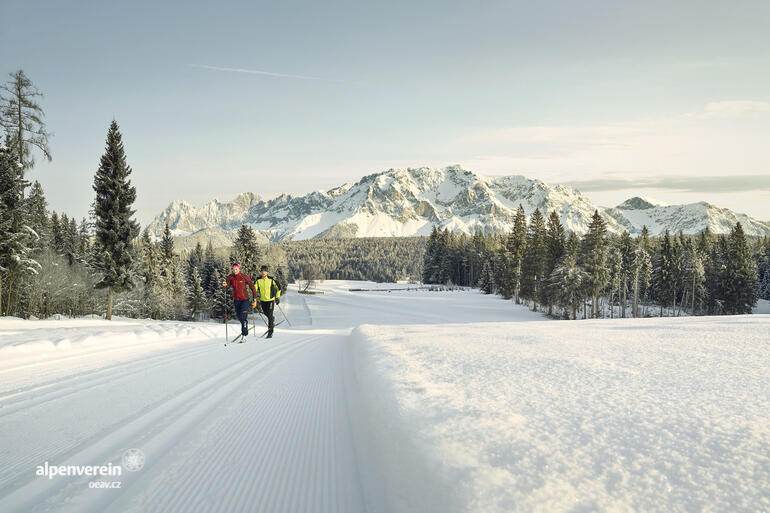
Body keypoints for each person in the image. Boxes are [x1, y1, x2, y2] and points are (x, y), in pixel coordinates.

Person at [222, 263, 257, 342]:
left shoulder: (244, 277)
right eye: (233, 269)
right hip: (236, 300)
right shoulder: (230, 277)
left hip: (245, 300)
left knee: (243, 317)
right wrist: (225, 284)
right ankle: (245, 326)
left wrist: (255, 298)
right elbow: (227, 284)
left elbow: (252, 286)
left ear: (239, 269)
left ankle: (244, 335)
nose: (235, 270)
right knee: (239, 317)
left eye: (236, 269)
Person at [255, 265, 281, 338]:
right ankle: (272, 319)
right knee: (266, 314)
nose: (263, 272)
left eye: (265, 271)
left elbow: (279, 288)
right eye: (262, 271)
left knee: (269, 316)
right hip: (263, 301)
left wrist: (277, 297)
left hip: (270, 300)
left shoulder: (271, 280)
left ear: (267, 272)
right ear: (260, 272)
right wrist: (254, 297)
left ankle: (270, 331)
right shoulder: (258, 280)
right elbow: (254, 289)